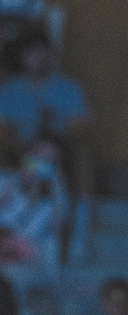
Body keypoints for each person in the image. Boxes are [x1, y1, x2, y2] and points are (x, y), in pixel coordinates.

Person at [0, 28, 92, 194]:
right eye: (32, 52)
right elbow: (4, 127)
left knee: (80, 156)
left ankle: (80, 213)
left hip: (59, 150)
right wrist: (22, 147)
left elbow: (77, 125)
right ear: (22, 56)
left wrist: (56, 143)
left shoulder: (68, 87)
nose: (38, 57)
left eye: (42, 51)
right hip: (20, 150)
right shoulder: (9, 90)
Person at [0, 139, 69, 270]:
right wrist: (14, 183)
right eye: (37, 157)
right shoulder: (6, 180)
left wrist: (57, 191)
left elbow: (57, 228)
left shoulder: (55, 200)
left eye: (48, 161)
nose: (40, 164)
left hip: (23, 250)